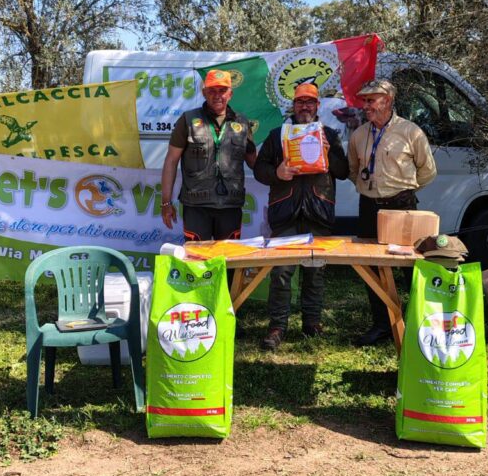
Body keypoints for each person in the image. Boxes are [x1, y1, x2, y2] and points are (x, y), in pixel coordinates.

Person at [253, 83, 349, 349]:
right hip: (285, 214)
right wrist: (277, 173)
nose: (304, 107)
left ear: (318, 106)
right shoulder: (277, 135)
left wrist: (329, 152)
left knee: (315, 272)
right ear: (293, 106)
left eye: (310, 102)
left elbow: (343, 172)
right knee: (282, 272)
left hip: (318, 212)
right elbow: (260, 168)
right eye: (300, 102)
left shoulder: (329, 134)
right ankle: (277, 326)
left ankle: (312, 322)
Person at [348, 78, 437, 346]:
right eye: (365, 101)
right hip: (369, 210)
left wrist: (401, 192)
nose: (366, 106)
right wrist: (371, 191)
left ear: (387, 100)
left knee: (410, 268)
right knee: (372, 270)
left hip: (402, 208)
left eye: (371, 100)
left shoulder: (411, 132)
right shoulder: (359, 134)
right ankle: (382, 325)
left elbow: (428, 171)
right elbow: (354, 171)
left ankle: (419, 324)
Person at [160, 69, 257, 241]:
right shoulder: (188, 120)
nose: (217, 95)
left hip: (230, 205)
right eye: (212, 90)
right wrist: (166, 202)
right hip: (196, 206)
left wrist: (280, 165)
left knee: (230, 262)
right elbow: (171, 161)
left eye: (222, 90)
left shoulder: (242, 123)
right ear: (204, 93)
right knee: (197, 262)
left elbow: (254, 162)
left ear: (230, 94)